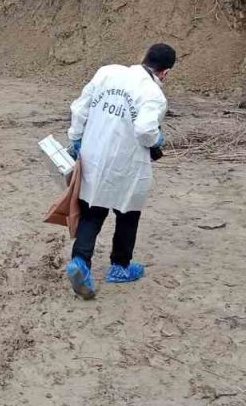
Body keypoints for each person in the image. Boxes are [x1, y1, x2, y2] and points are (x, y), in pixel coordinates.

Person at [63, 43, 176, 300]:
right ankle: (120, 267)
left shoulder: (107, 73)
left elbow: (80, 108)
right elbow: (146, 130)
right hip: (127, 163)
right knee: (128, 213)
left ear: (143, 56)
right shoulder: (153, 94)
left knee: (92, 210)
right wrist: (157, 140)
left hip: (94, 154)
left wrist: (76, 138)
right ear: (165, 73)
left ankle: (80, 263)